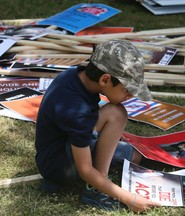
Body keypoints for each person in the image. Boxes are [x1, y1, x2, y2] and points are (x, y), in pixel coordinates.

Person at [35, 40, 160, 213]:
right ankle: (95, 191)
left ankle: (99, 181)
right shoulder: (75, 111)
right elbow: (85, 169)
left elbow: (88, 119)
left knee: (136, 157)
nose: (130, 96)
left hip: (67, 146)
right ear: (105, 79)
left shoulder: (76, 75)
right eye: (127, 90)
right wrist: (129, 198)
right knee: (117, 113)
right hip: (58, 165)